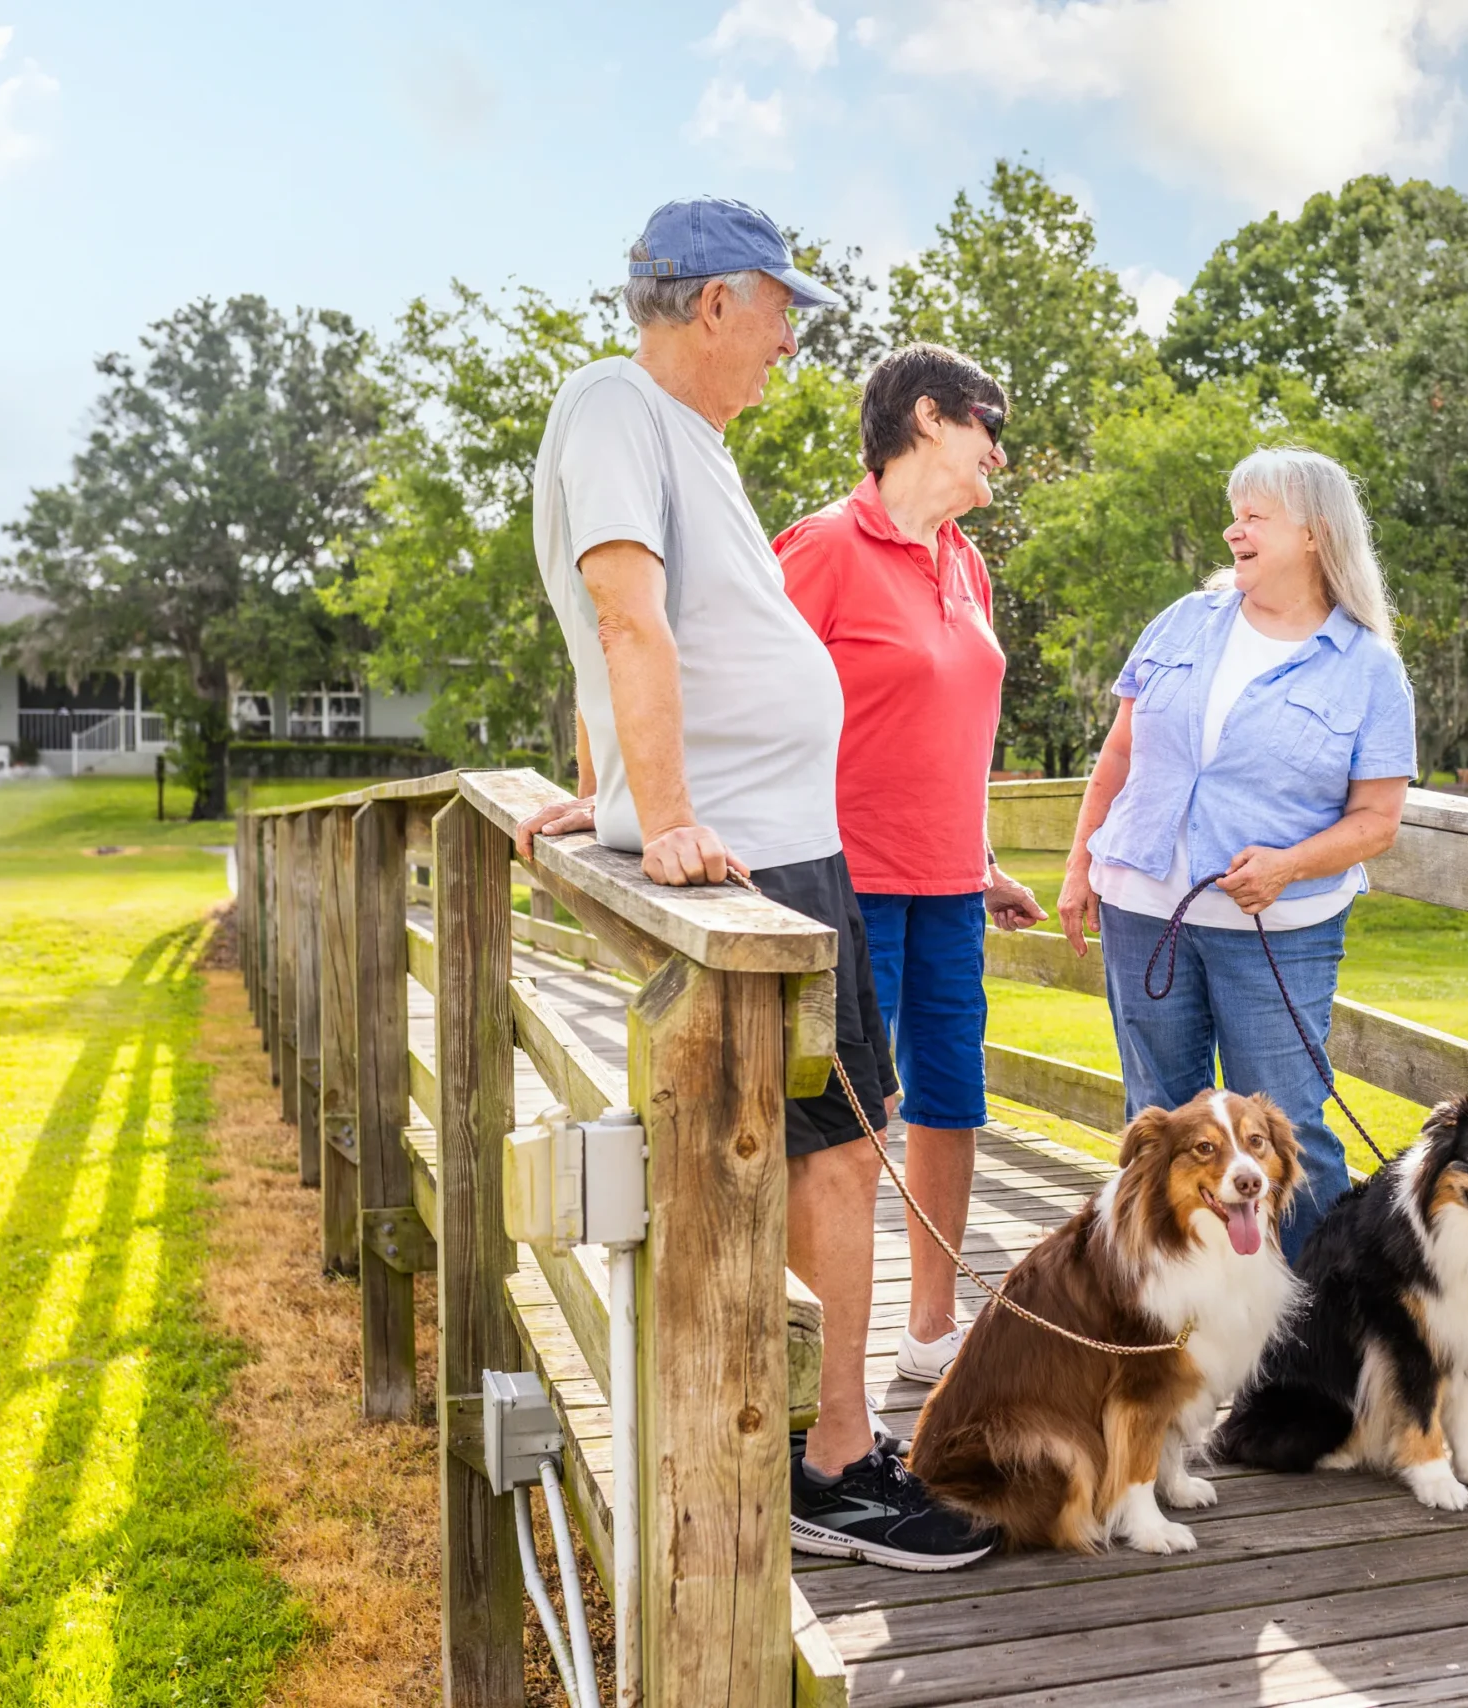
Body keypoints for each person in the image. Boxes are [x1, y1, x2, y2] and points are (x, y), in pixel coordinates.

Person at [514, 196, 992, 1572]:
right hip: (749, 859)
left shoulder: (694, 444)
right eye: (783, 309)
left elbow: (666, 635)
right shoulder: (615, 403)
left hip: (790, 846)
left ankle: (831, 1439)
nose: (792, 340)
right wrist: (657, 818)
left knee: (840, 1144)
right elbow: (622, 609)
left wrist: (609, 782)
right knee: (829, 1157)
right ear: (715, 301)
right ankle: (835, 1460)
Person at [1057, 448, 1414, 1261]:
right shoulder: (1183, 622)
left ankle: (1313, 1340)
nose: (1233, 529)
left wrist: (1288, 864)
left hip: (1279, 932)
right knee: (1163, 1130)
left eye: (1253, 516)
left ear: (1314, 533)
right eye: (1234, 513)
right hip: (1146, 913)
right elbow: (1117, 759)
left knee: (1288, 1131)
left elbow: (1378, 821)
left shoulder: (1368, 669)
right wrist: (1081, 865)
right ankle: (1180, 1329)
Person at [774, 345, 1047, 1386]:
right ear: (929, 418)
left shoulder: (962, 561)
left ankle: (930, 1331)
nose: (1001, 452)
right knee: (847, 1124)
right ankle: (817, 1349)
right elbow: (733, 696)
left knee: (949, 1101)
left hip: (946, 892)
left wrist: (979, 859)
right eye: (991, 424)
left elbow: (951, 731)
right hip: (845, 885)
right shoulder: (822, 547)